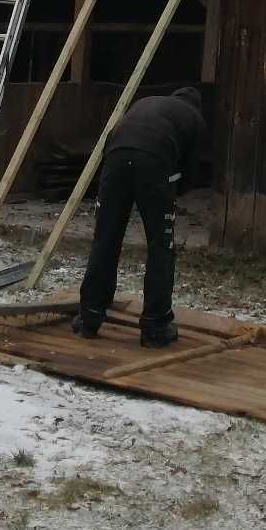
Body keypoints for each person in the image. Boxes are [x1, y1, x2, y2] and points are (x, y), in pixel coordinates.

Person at [74, 86, 204, 347]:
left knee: (106, 239)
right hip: (155, 162)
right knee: (160, 246)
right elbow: (192, 173)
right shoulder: (195, 118)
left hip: (115, 158)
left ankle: (89, 317)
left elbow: (110, 141)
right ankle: (156, 327)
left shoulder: (146, 103)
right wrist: (168, 191)